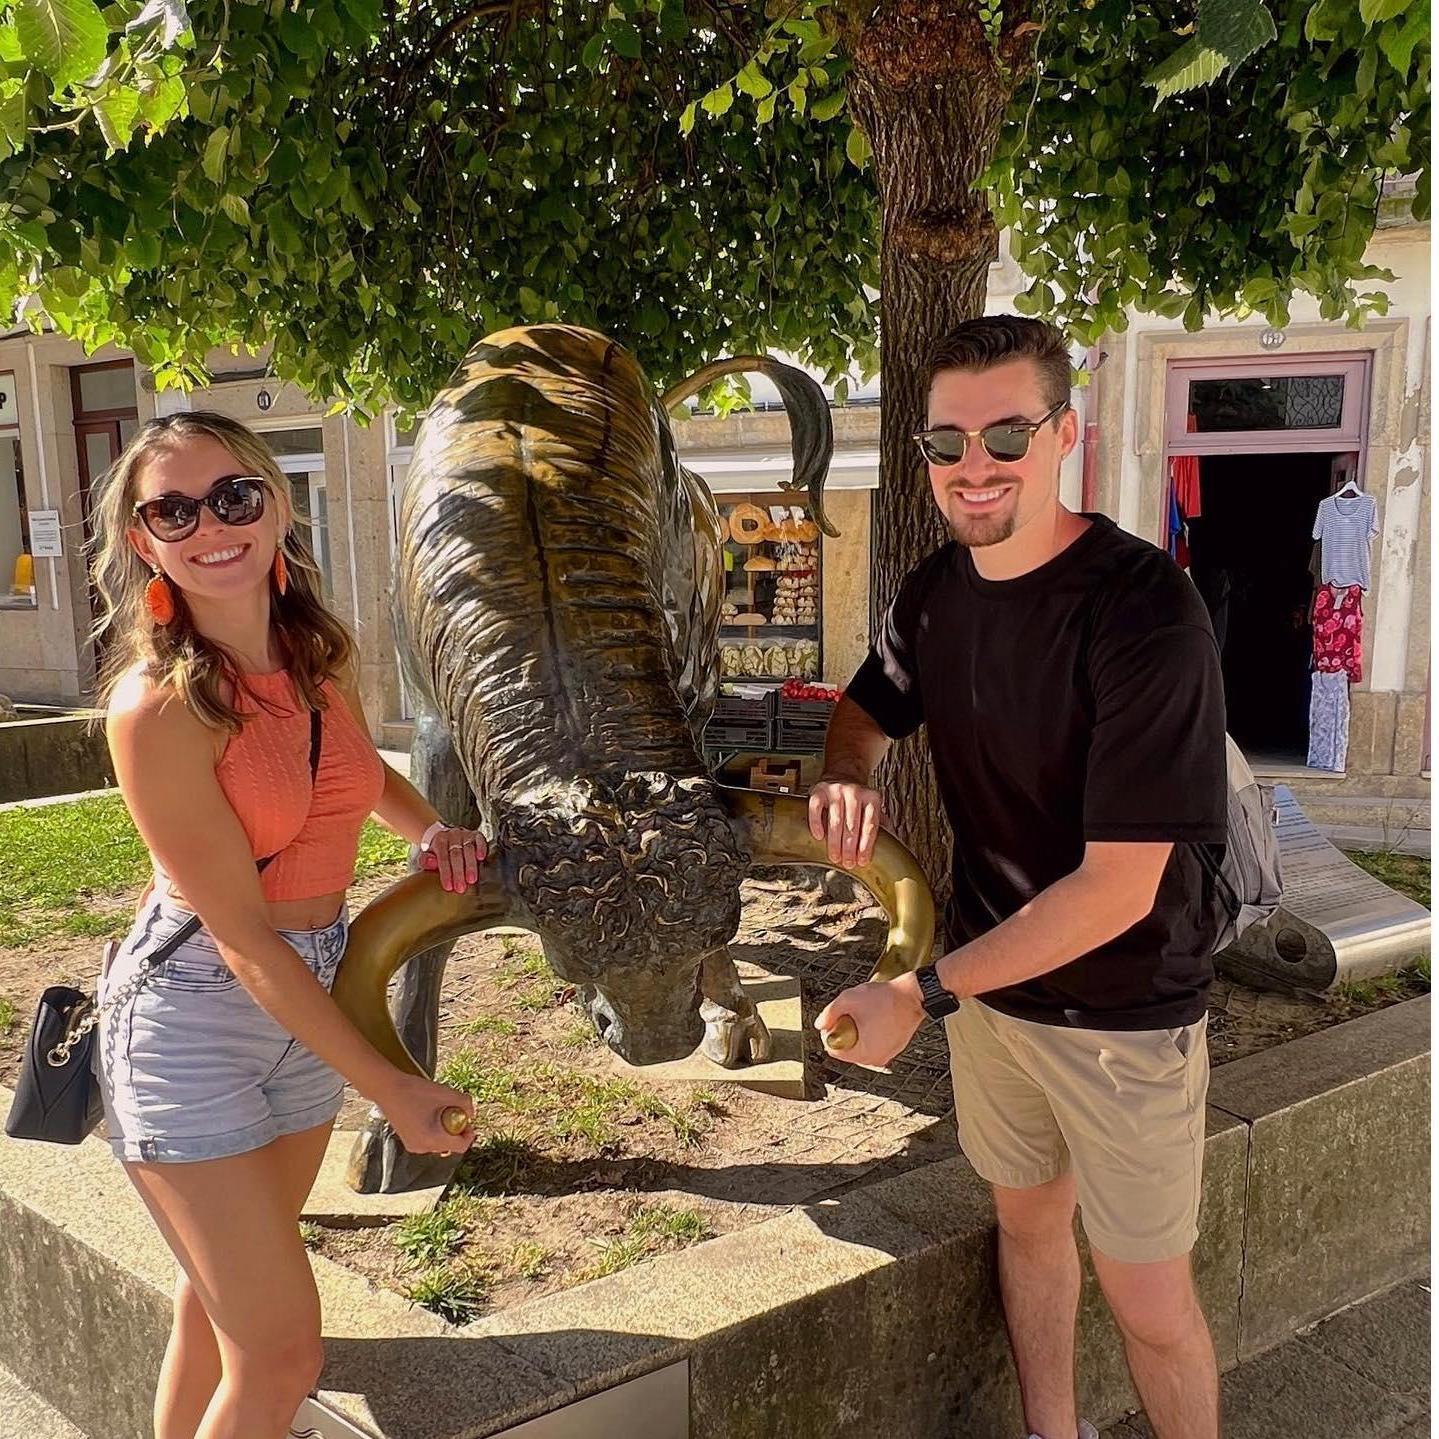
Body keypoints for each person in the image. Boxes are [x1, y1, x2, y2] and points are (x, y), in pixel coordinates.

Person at [810, 318, 1227, 1439]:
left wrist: (916, 992)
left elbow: (1114, 890)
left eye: (1004, 431)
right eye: (945, 442)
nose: (972, 464)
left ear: (1062, 433)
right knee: (1027, 1227)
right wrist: (850, 772)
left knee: (1147, 1299)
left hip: (1122, 1017)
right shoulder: (934, 593)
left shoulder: (1143, 611)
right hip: (995, 1000)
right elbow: (864, 704)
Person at [90, 412, 485, 1439]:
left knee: (213, 1300)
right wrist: (388, 1081)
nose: (208, 525)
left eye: (232, 495)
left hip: (314, 977)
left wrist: (431, 825)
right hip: (195, 1018)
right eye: (172, 508)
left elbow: (357, 771)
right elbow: (240, 938)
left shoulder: (316, 654)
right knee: (280, 1353)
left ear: (274, 504)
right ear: (145, 543)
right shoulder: (157, 707)